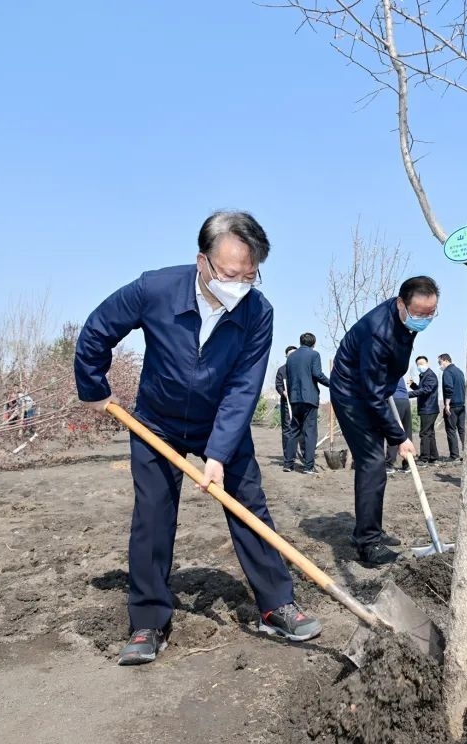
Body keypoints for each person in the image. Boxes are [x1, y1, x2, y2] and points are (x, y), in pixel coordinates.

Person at [74, 210, 321, 665]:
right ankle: (148, 621)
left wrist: (219, 453)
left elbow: (245, 386)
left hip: (218, 423)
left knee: (249, 507)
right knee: (152, 516)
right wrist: (94, 388)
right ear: (202, 261)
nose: (240, 284)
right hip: (156, 422)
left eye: (250, 275)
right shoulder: (155, 288)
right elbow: (97, 330)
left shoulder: (257, 312)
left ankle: (275, 603)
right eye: (230, 273)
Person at [330, 276, 438, 565]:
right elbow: (372, 394)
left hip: (373, 388)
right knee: (372, 462)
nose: (424, 319)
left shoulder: (403, 322)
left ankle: (369, 529)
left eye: (431, 314)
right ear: (401, 303)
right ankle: (368, 543)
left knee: (376, 463)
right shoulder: (379, 332)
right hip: (352, 394)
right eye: (419, 314)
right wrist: (400, 437)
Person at [284, 332, 330, 473]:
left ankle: (288, 464)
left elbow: (290, 378)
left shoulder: (291, 358)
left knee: (293, 431)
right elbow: (317, 374)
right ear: (313, 343)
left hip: (295, 398)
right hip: (309, 399)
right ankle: (308, 467)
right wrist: (332, 384)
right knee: (310, 432)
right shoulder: (314, 355)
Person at [408, 355, 440, 464]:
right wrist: (413, 386)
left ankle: (424, 458)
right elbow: (422, 390)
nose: (420, 366)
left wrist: (408, 394)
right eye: (418, 365)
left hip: (429, 408)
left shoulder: (430, 376)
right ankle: (433, 456)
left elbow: (426, 390)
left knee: (424, 433)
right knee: (430, 433)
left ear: (427, 363)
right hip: (427, 408)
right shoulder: (424, 375)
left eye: (422, 364)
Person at [438, 354, 466, 461]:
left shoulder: (447, 372)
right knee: (462, 430)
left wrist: (447, 404)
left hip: (453, 405)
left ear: (445, 360)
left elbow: (449, 388)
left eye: (440, 362)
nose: (440, 365)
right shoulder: (459, 371)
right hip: (462, 405)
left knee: (451, 430)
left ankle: (454, 455)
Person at [274, 345, 298, 465]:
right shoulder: (282, 370)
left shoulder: (301, 368)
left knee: (301, 429)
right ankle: (288, 455)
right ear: (286, 357)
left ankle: (302, 454)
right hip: (286, 403)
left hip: (299, 403)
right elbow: (278, 384)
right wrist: (283, 393)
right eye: (290, 355)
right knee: (287, 429)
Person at [385, 377, 413, 475]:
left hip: (394, 400)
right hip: (405, 400)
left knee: (393, 430)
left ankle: (389, 465)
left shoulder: (383, 367)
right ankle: (408, 463)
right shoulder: (397, 368)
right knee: (407, 431)